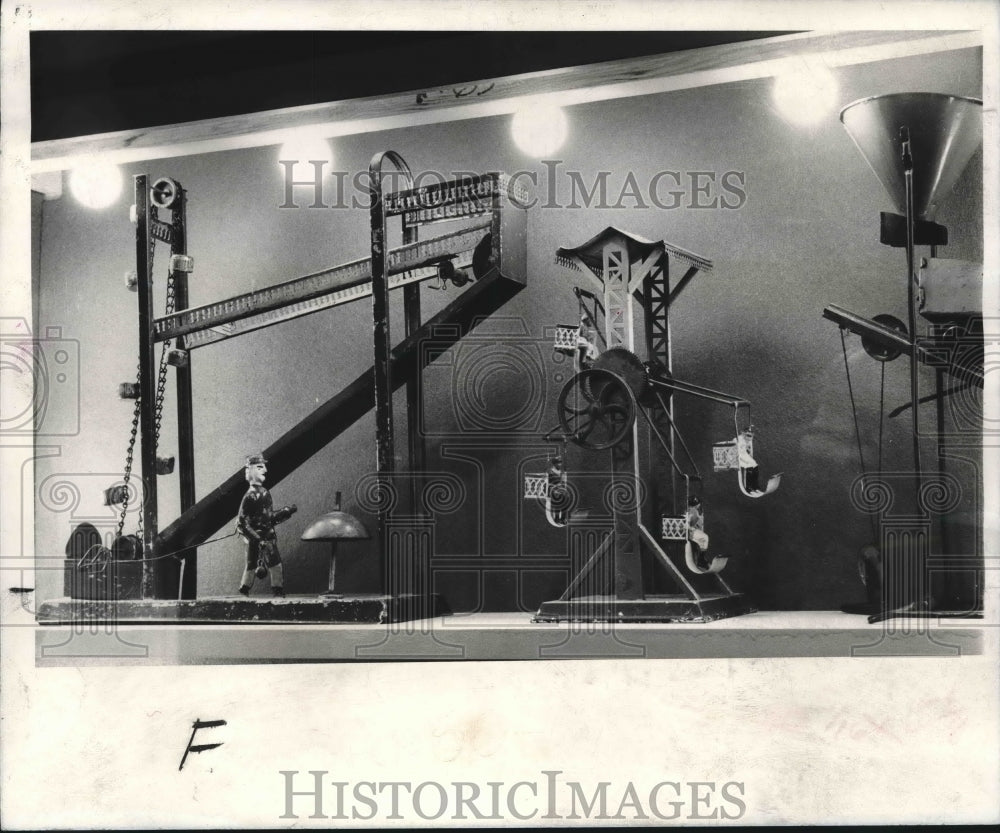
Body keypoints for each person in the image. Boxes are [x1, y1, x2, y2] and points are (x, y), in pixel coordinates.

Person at [236, 453, 296, 597]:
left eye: (264, 467)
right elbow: (242, 523)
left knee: (275, 564)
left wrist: (285, 512)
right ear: (250, 471)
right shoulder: (249, 496)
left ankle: (277, 590)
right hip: (256, 539)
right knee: (251, 565)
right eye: (260, 467)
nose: (265, 470)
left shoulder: (265, 493)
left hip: (267, 538)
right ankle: (244, 590)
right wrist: (257, 539)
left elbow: (268, 518)